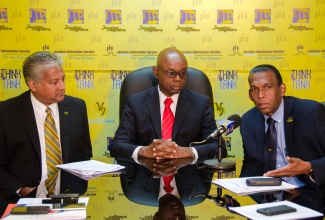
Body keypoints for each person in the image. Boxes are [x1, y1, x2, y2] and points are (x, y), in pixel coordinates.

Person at [0, 51, 93, 216]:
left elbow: (84, 153)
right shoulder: (6, 113)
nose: (62, 86)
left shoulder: (77, 107)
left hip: (67, 200)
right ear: (33, 85)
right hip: (21, 200)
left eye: (63, 79)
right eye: (54, 82)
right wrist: (22, 190)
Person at [110, 47, 226, 160]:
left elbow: (219, 147)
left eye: (183, 73)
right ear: (156, 72)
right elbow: (117, 145)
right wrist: (144, 151)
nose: (177, 79)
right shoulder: (136, 103)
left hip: (187, 174)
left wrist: (188, 151)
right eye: (171, 73)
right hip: (147, 174)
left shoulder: (200, 104)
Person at [240, 64, 325, 214]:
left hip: (310, 193)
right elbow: (251, 163)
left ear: (282, 89)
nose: (260, 95)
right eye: (255, 89)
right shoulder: (248, 121)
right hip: (266, 195)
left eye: (267, 87)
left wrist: (309, 167)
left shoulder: (311, 113)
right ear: (249, 94)